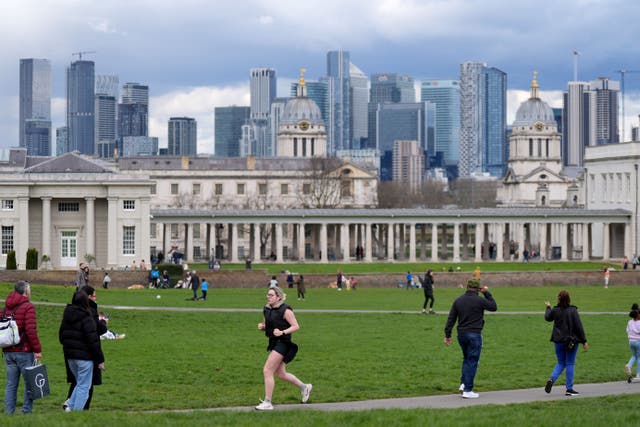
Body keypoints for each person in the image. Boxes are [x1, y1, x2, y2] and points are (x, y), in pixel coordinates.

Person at [256, 286, 312, 410]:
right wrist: (263, 327)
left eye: (271, 295)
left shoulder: (286, 310)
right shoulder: (266, 309)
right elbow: (269, 324)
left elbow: (296, 326)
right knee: (281, 374)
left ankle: (267, 402)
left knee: (267, 370)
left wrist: (282, 332)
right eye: (267, 295)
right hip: (273, 342)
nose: (268, 297)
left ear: (279, 297)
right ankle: (305, 387)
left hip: (284, 343)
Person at [444, 278, 497, 399]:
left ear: (467, 287)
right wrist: (486, 293)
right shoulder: (480, 300)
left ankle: (463, 384)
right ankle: (468, 389)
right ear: (478, 289)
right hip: (474, 334)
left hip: (461, 335)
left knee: (467, 359)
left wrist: (448, 335)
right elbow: (494, 306)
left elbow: (451, 319)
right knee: (472, 361)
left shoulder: (458, 300)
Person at [59, 290, 105, 411]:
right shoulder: (87, 316)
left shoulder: (67, 315)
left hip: (70, 357)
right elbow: (93, 340)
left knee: (79, 383)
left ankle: (69, 405)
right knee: (84, 387)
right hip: (84, 358)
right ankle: (76, 414)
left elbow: (61, 336)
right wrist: (100, 360)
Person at [3, 281, 43, 415]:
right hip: (24, 351)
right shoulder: (28, 307)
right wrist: (37, 349)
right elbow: (31, 330)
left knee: (11, 385)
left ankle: (9, 413)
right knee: (29, 384)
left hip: (8, 351)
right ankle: (27, 412)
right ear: (26, 291)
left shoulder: (5, 309)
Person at [544, 290, 588, 396]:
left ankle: (551, 379)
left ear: (558, 299)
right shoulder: (573, 310)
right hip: (570, 341)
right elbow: (579, 326)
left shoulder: (555, 310)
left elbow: (548, 318)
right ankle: (569, 389)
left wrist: (548, 307)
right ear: (569, 299)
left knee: (560, 363)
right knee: (570, 363)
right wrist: (584, 341)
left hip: (558, 340)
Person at [625, 303, 640, 383]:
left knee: (634, 356)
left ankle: (628, 365)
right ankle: (638, 374)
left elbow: (627, 330)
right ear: (638, 315)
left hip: (631, 341)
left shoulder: (629, 322)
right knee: (639, 357)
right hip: (638, 342)